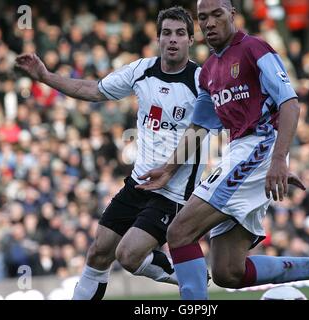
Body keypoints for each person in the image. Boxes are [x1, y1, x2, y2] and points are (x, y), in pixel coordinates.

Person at [136, 0, 309, 300]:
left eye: (217, 15)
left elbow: (290, 103)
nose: (209, 23)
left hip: (259, 147)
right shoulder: (208, 70)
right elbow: (199, 128)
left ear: (232, 15)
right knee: (227, 271)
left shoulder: (255, 49)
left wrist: (277, 160)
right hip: (241, 153)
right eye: (203, 18)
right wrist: (169, 170)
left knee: (179, 232)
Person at [16, 6, 206, 300]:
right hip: (139, 182)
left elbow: (201, 131)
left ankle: (189, 272)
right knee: (98, 252)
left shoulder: (201, 81)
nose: (172, 39)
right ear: (157, 38)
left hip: (174, 192)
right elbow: (91, 89)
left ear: (190, 40)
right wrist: (45, 76)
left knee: (128, 256)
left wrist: (169, 171)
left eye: (180, 34)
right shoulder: (141, 70)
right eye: (166, 33)